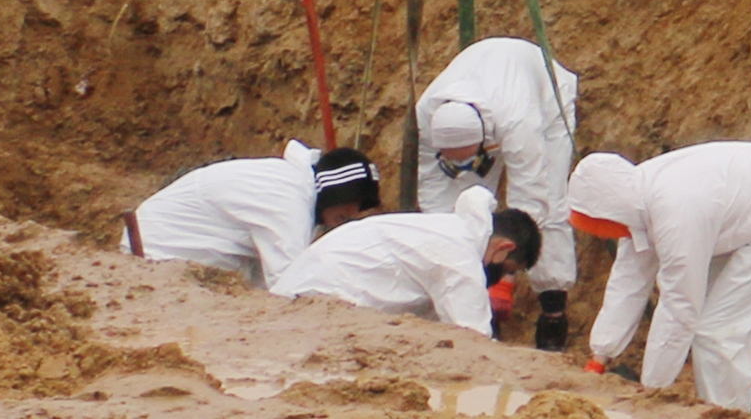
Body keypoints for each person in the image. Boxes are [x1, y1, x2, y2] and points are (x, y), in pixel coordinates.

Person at [566, 145, 751, 411]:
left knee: (719, 330)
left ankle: (730, 413)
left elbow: (680, 305)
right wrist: (599, 357)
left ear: (610, 210)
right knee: (709, 324)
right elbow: (628, 281)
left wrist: (652, 389)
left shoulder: (675, 213)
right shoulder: (634, 198)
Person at [415, 39, 584, 348]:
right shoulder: (428, 114)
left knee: (552, 204)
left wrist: (504, 276)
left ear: (483, 142)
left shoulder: (519, 122)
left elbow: (529, 203)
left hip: (546, 103)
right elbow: (434, 192)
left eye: (471, 158)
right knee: (459, 203)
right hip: (490, 97)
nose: (466, 167)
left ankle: (552, 315)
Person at [269, 184, 534, 338]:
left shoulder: (448, 229)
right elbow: (473, 340)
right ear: (504, 248)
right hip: (321, 300)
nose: (498, 277)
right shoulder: (460, 255)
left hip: (304, 289)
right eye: (508, 270)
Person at [126, 143, 377, 283]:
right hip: (153, 260)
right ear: (334, 194)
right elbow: (289, 281)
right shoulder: (287, 197)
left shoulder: (289, 184)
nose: (342, 221)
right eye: (344, 213)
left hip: (160, 253)